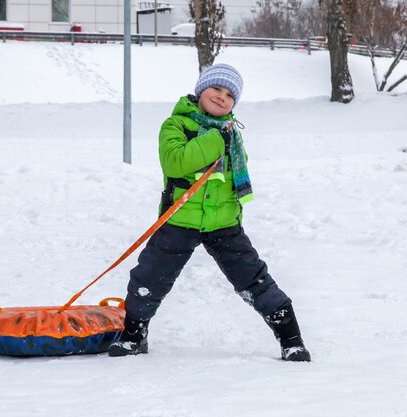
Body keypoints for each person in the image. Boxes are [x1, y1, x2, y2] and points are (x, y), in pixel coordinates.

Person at [108, 63, 311, 362]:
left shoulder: (232, 133)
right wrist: (217, 140)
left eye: (230, 95)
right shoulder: (176, 125)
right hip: (179, 219)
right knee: (149, 278)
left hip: (224, 222)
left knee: (255, 280)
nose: (222, 97)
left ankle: (291, 339)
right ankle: (134, 335)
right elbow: (176, 163)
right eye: (216, 88)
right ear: (201, 89)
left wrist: (225, 143)